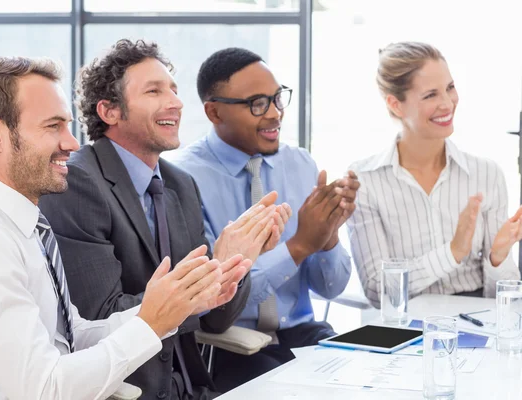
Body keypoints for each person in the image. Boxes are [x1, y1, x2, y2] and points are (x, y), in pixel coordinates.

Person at [0, 56, 228, 400]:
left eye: (67, 126)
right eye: (53, 127)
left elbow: (73, 336)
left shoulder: (23, 225)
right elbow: (46, 388)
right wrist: (149, 325)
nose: (71, 143)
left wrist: (167, 307)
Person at [38, 40, 285, 400]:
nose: (176, 102)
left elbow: (216, 319)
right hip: (132, 387)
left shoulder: (180, 184)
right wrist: (209, 276)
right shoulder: (78, 184)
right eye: (154, 91)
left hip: (192, 387)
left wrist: (237, 261)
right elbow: (100, 318)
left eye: (173, 89)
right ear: (109, 111)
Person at [174, 47, 359, 392]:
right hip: (228, 345)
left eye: (277, 99)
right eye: (258, 104)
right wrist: (300, 245)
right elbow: (218, 301)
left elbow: (331, 288)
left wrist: (328, 234)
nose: (275, 114)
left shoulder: (301, 163)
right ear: (214, 112)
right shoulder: (184, 179)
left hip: (304, 334)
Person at [347, 41, 522, 308]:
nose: (447, 103)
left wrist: (498, 258)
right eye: (430, 95)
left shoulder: (486, 174)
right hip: (404, 327)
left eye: (450, 88)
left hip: (476, 324)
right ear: (396, 105)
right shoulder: (366, 181)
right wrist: (452, 252)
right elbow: (377, 291)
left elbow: (504, 301)